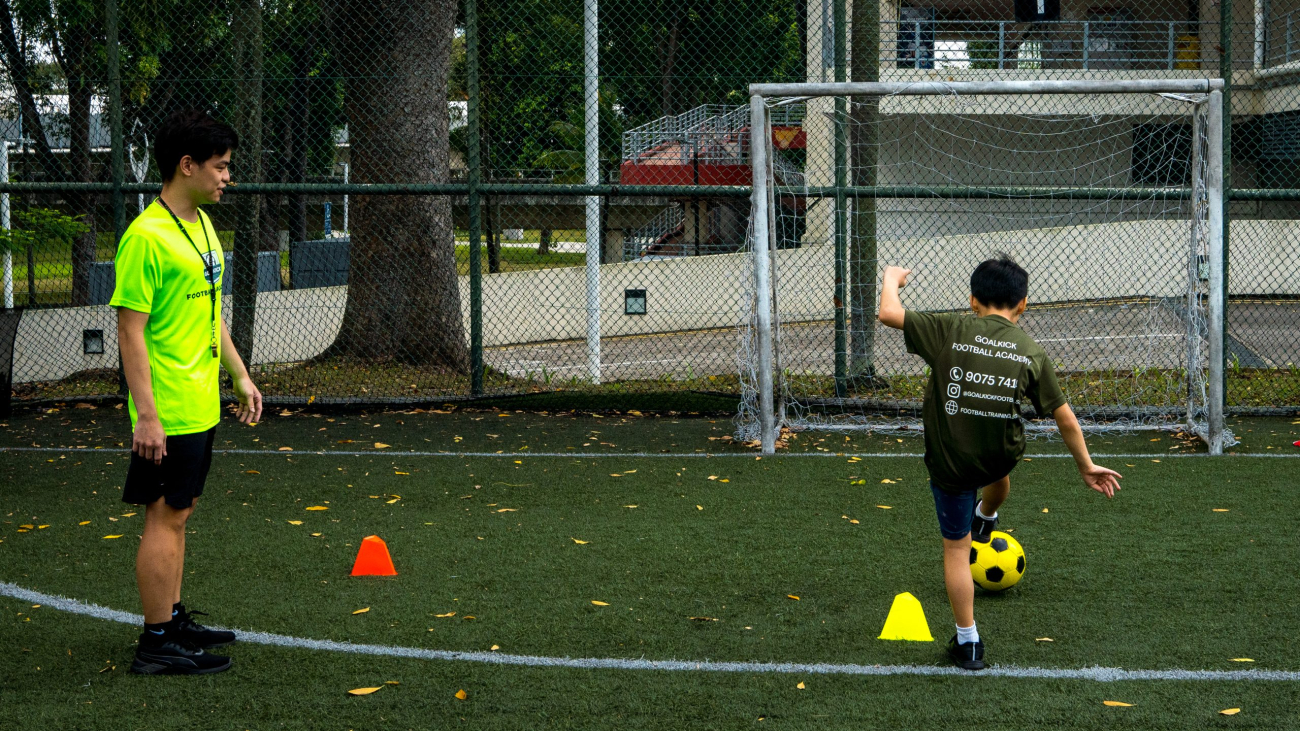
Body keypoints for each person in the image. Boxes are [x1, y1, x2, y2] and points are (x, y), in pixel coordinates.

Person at [877, 255, 1121, 671]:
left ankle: (968, 643)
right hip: (998, 455)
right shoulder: (1031, 352)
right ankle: (986, 514)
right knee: (999, 477)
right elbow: (1064, 416)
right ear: (1023, 305)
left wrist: (891, 277)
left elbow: (888, 312)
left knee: (957, 550)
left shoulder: (950, 329)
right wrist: (1086, 465)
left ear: (972, 300)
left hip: (951, 462)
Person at [112, 109, 263, 675]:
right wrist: (146, 416)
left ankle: (171, 618)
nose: (228, 177)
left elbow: (211, 311)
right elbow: (130, 329)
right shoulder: (145, 237)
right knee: (165, 515)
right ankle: (156, 643)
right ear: (186, 165)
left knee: (182, 509)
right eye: (221, 167)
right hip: (168, 406)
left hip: (200, 399)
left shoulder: (200, 225)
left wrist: (239, 374)